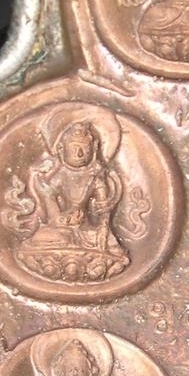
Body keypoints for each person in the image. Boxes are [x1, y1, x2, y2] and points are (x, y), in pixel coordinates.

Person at [17, 120, 129, 282]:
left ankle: (85, 263)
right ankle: (85, 263)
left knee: (108, 242)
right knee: (47, 235)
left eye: (84, 148)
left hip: (87, 230)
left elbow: (103, 209)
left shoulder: (95, 176)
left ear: (94, 149)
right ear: (61, 149)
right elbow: (50, 201)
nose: (79, 154)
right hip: (62, 229)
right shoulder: (60, 175)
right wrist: (61, 219)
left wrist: (103, 228)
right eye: (74, 148)